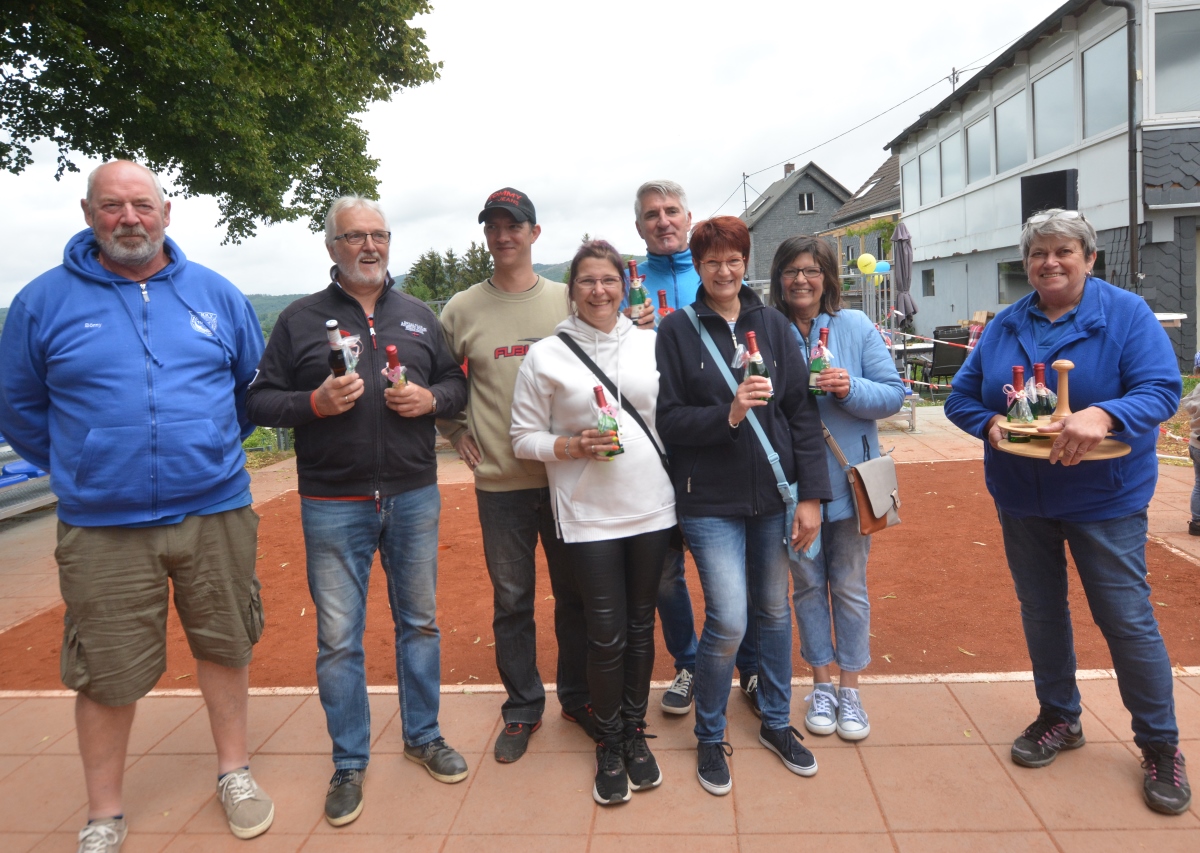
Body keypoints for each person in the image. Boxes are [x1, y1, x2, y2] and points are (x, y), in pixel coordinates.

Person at [0, 160, 272, 852]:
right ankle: (104, 812)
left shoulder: (215, 293)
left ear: (167, 212)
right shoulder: (42, 302)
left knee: (225, 643)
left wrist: (206, 446)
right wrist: (83, 463)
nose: (129, 218)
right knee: (107, 669)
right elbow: (20, 408)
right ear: (89, 212)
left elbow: (248, 390)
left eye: (142, 205)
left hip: (215, 509)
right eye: (113, 205)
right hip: (102, 525)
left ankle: (234, 771)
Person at [945, 208, 1191, 815]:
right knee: (1042, 612)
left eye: (1063, 251)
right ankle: (1059, 715)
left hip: (1104, 496)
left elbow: (1163, 389)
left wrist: (1105, 414)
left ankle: (1160, 744)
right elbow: (958, 397)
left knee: (1126, 620)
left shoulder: (1124, 315)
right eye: (1037, 253)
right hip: (1022, 497)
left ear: (1089, 257)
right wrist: (990, 422)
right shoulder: (1006, 324)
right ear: (1025, 263)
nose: (1049, 262)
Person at [245, 196, 470, 827]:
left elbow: (457, 384)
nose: (368, 246)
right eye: (353, 237)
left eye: (378, 235)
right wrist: (313, 404)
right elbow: (259, 401)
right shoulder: (299, 320)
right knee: (339, 640)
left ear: (389, 242)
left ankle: (423, 735)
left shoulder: (419, 316)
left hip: (413, 493)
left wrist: (430, 399)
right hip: (331, 501)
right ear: (331, 248)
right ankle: (349, 760)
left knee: (420, 623)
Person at [655, 215, 832, 796]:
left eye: (733, 260)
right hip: (708, 501)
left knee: (775, 614)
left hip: (776, 497)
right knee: (729, 618)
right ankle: (711, 734)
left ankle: (777, 723)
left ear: (745, 263)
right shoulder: (677, 330)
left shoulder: (774, 326)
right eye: (712, 262)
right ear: (698, 267)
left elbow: (801, 416)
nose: (724, 271)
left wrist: (811, 496)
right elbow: (671, 422)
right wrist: (729, 414)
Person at [511, 239, 677, 805]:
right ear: (572, 290)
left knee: (639, 626)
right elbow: (521, 439)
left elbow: (674, 416)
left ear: (623, 285)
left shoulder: (655, 343)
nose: (599, 290)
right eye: (587, 281)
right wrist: (569, 444)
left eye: (608, 280)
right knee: (604, 634)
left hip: (653, 506)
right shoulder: (547, 355)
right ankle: (607, 740)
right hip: (587, 516)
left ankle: (633, 731)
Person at [437, 188, 592, 763]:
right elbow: (438, 379)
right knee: (512, 600)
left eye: (514, 225)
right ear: (487, 235)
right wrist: (454, 431)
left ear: (535, 232)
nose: (504, 235)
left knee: (575, 597)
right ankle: (524, 707)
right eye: (494, 226)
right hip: (500, 483)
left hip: (567, 479)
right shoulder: (461, 309)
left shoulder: (567, 300)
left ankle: (576, 699)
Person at [629, 181, 760, 717]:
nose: (663, 221)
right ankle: (688, 662)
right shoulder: (627, 282)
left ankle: (749, 666)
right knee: (665, 571)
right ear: (639, 226)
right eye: (651, 215)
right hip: (653, 448)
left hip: (721, 443)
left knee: (743, 565)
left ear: (688, 216)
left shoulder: (715, 268)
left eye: (671, 211)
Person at [767, 235, 905, 741]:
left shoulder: (855, 326)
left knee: (848, 586)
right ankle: (820, 682)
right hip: (793, 488)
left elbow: (892, 395)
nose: (801, 280)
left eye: (811, 270)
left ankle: (850, 688)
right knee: (805, 585)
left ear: (827, 277)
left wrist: (851, 388)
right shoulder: (766, 330)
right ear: (779, 279)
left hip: (850, 484)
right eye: (791, 271)